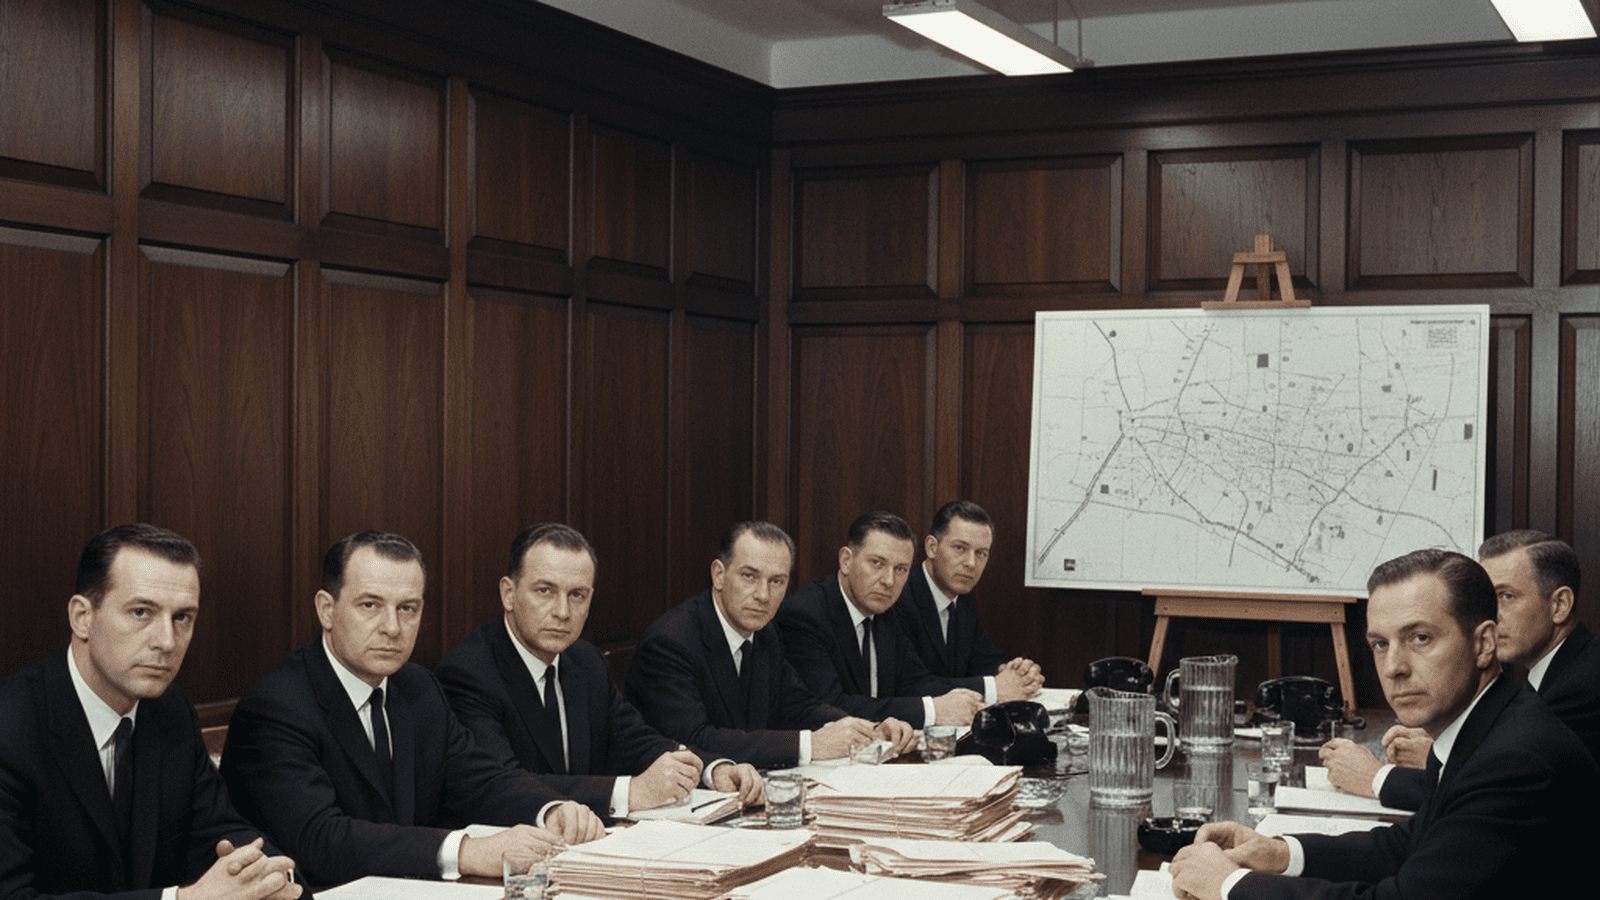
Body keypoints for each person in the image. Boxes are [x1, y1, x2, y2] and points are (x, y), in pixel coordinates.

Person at [1168, 548, 1597, 900]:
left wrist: (1228, 884)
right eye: (1380, 644)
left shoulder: (1515, 759)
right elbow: (1410, 846)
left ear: (1483, 643)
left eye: (1420, 638)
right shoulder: (1485, 724)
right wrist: (1278, 853)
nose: (1393, 667)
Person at [221, 531, 603, 886]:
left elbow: (479, 779)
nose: (392, 627)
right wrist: (466, 851)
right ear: (326, 610)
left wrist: (550, 809)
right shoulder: (276, 708)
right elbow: (321, 840)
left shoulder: (417, 687)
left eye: (408, 608)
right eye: (370, 605)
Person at [0, 523, 300, 900]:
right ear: (82, 617)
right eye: (141, 612)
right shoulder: (11, 728)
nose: (166, 641)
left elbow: (220, 833)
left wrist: (272, 880)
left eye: (182, 618)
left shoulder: (171, 711)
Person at [435, 523, 763, 818]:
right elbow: (502, 784)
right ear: (509, 593)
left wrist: (711, 770)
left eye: (576, 595)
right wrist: (630, 792)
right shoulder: (469, 672)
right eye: (545, 591)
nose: (563, 612)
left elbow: (633, 739)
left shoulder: (584, 660)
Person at [1321, 530, 1600, 805]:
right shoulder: (1562, 669)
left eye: (1505, 596)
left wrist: (1377, 776)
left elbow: (1501, 788)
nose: (1489, 613)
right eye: (1486, 600)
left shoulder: (1582, 687)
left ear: (1560, 605)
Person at [624, 521, 916, 769]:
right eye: (749, 576)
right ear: (719, 575)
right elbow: (697, 739)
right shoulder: (670, 642)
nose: (763, 595)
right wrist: (811, 745)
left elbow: (797, 704)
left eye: (777, 581)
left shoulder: (765, 633)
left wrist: (865, 729)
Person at [776, 511, 985, 727]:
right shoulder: (805, 614)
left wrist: (971, 702)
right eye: (877, 563)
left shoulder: (885, 610)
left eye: (901, 569)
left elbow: (915, 682)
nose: (889, 580)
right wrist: (932, 710)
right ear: (846, 561)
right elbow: (829, 705)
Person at [888, 501, 1042, 704]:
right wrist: (994, 687)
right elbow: (912, 685)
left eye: (981, 553)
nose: (971, 563)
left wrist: (1016, 673)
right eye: (960, 548)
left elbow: (983, 658)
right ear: (932, 547)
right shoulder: (898, 596)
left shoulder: (963, 596)